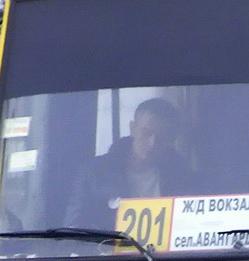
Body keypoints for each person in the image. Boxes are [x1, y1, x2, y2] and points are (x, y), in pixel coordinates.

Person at [64, 97, 190, 229]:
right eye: (146, 133)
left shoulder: (183, 178)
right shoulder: (94, 173)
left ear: (171, 141)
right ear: (132, 128)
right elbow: (73, 229)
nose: (152, 143)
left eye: (162, 138)